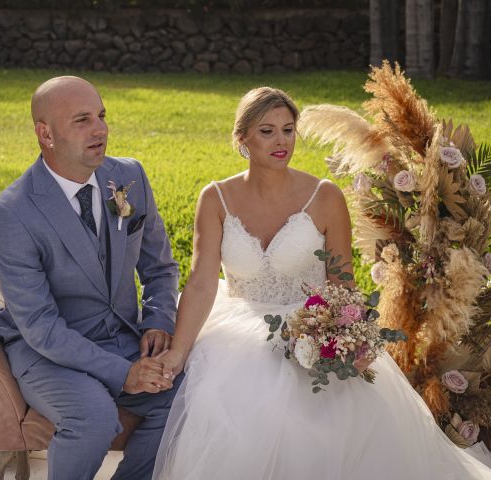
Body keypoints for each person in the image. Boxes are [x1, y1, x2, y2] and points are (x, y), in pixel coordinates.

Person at [152, 87, 491, 479]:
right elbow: (200, 284)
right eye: (267, 131)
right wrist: (177, 354)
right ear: (241, 138)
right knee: (230, 413)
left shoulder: (323, 196)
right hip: (235, 330)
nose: (281, 141)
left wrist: (349, 338)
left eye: (288, 130)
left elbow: (342, 284)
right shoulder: (215, 198)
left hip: (313, 327)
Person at [0, 76, 183, 480]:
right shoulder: (11, 213)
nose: (101, 129)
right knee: (93, 417)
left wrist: (158, 319)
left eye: (102, 116)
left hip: (123, 337)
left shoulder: (130, 177)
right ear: (46, 134)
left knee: (187, 398)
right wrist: (125, 374)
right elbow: (40, 327)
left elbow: (159, 267)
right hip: (48, 352)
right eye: (83, 120)